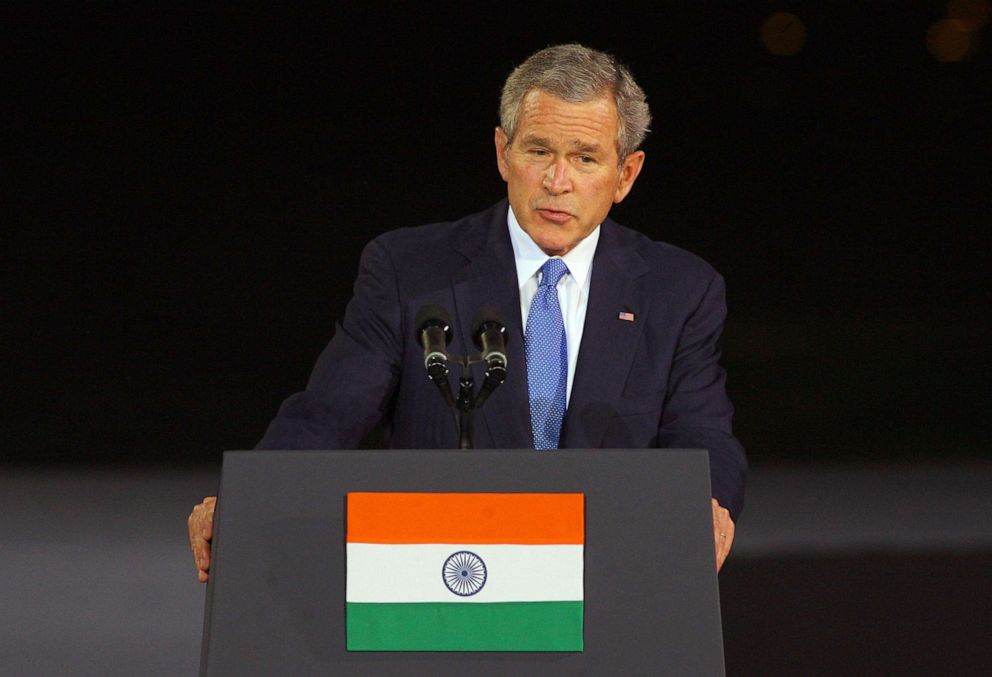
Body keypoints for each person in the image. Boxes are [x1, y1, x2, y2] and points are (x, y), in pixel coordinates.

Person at [189, 43, 746, 582]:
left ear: (625, 175)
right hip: (450, 579)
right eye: (539, 151)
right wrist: (247, 498)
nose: (558, 181)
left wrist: (710, 502)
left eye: (584, 157)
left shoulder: (679, 291)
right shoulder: (410, 270)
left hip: (608, 579)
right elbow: (327, 413)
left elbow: (702, 434)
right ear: (503, 153)